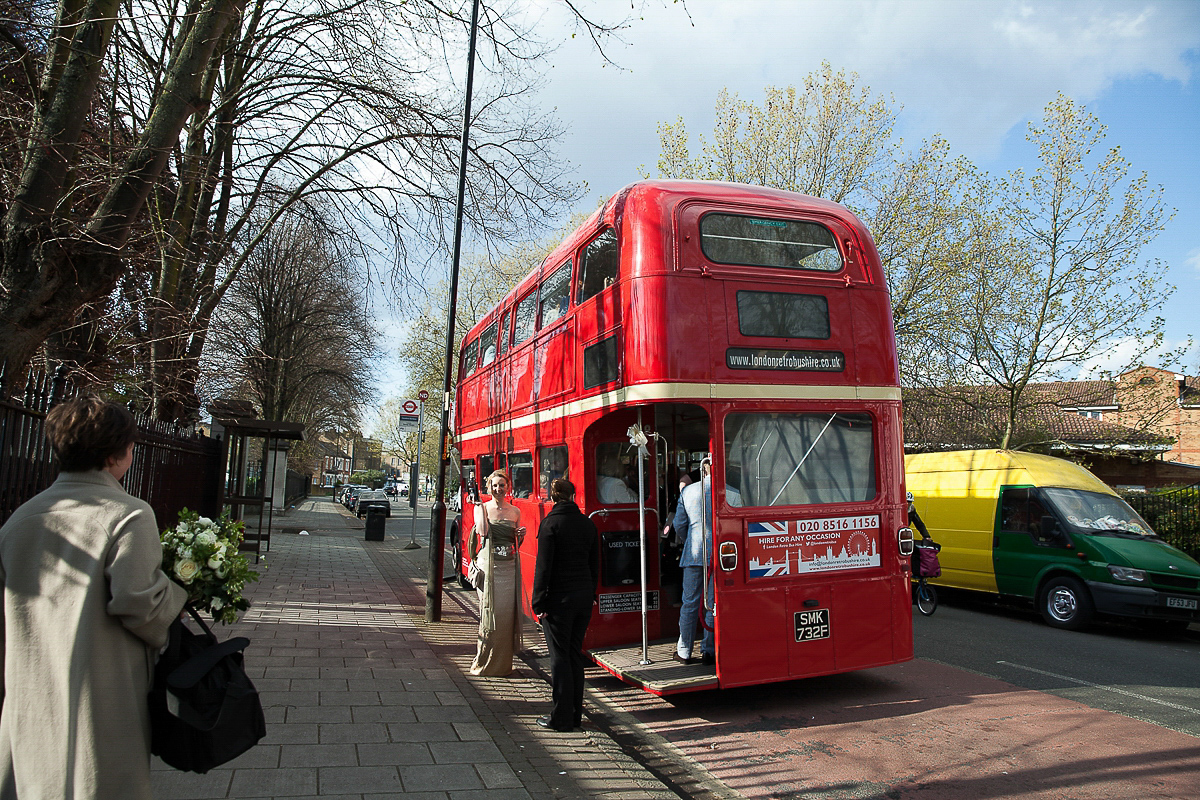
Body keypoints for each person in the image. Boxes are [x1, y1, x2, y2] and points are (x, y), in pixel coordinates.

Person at [0, 396, 187, 800]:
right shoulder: (128, 514)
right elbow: (139, 603)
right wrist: (179, 591)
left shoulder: (19, 520)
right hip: (101, 690)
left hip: (31, 687)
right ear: (116, 454)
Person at [531, 478, 599, 731]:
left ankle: (560, 718)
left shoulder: (550, 524)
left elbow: (543, 568)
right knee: (574, 655)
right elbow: (594, 565)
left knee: (559, 658)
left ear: (552, 496)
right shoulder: (587, 523)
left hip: (558, 600)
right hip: (583, 598)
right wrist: (591, 593)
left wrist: (538, 602)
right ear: (572, 496)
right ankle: (575, 715)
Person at [469, 470, 525, 676]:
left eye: (502, 485)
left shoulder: (515, 512)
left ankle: (502, 665)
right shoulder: (482, 508)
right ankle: (484, 662)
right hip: (489, 566)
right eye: (494, 485)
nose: (498, 489)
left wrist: (521, 535)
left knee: (505, 616)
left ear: (507, 487)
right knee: (489, 613)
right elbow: (483, 533)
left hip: (509, 567)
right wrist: (478, 508)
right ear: (489, 488)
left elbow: (516, 543)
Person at [673, 461, 714, 665]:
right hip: (720, 557)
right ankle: (709, 650)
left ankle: (685, 651)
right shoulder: (732, 492)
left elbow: (679, 524)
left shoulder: (688, 491)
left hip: (694, 553)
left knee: (689, 602)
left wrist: (688, 539)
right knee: (713, 605)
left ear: (703, 469)